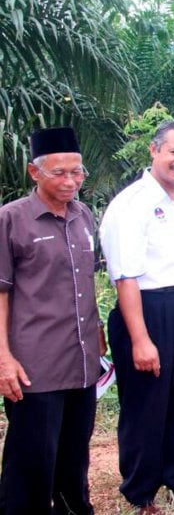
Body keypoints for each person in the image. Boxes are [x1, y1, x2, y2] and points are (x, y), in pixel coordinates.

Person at [100, 120, 174, 513]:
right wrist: (140, 338)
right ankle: (141, 491)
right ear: (154, 151)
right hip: (149, 308)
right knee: (147, 403)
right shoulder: (131, 204)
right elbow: (125, 277)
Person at [0, 127, 103, 514]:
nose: (70, 181)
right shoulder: (12, 220)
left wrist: (98, 332)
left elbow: (86, 282)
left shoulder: (83, 216)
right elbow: (1, 292)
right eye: (59, 173)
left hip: (81, 360)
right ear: (34, 172)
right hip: (34, 364)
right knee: (32, 457)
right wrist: (3, 357)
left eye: (77, 173)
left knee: (75, 452)